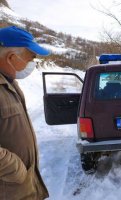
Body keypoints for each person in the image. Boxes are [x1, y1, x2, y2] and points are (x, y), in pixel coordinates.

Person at [0, 26, 50, 199]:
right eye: (31, 58)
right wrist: (16, 169)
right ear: (12, 57)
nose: (32, 63)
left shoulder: (9, 82)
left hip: (21, 188)